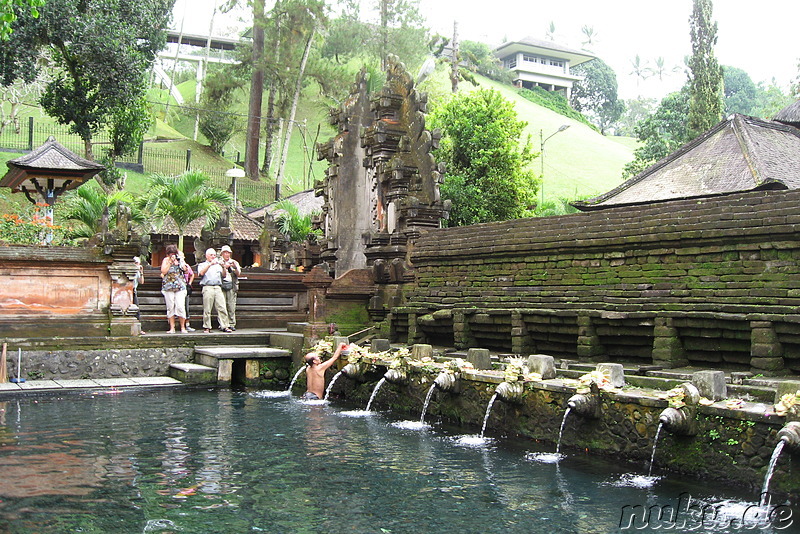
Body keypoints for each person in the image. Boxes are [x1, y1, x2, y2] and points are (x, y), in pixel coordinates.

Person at [197, 248, 232, 333]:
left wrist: (224, 267)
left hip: (217, 287)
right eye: (211, 255)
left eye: (214, 255)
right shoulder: (202, 265)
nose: (213, 257)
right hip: (207, 286)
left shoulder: (218, 265)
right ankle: (207, 326)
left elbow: (223, 276)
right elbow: (201, 274)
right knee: (207, 308)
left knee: (222, 307)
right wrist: (210, 265)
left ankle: (225, 325)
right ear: (206, 256)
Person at [160, 244, 188, 333]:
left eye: (173, 253)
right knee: (170, 306)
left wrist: (181, 260)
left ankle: (183, 327)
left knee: (180, 306)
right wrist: (170, 262)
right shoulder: (166, 260)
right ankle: (172, 328)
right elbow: (163, 271)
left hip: (180, 286)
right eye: (170, 254)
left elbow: (185, 270)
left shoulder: (179, 259)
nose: (172, 255)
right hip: (168, 286)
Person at [219, 245, 242, 331]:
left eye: (228, 253)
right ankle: (223, 324)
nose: (227, 254)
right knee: (221, 305)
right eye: (225, 252)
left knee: (231, 305)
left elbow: (238, 273)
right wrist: (224, 267)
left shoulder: (234, 262)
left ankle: (231, 323)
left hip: (232, 285)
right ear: (222, 254)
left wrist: (234, 267)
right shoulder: (218, 262)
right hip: (221, 285)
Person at [132, 256, 146, 335]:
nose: (138, 265)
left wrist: (141, 272)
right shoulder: (130, 270)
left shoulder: (137, 271)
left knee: (137, 310)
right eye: (136, 263)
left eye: (138, 263)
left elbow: (141, 281)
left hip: (134, 291)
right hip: (128, 291)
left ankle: (138, 329)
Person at [183, 261, 196, 332]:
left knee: (186, 307)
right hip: (176, 287)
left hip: (185, 287)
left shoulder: (186, 266)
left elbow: (192, 274)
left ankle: (187, 324)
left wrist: (189, 283)